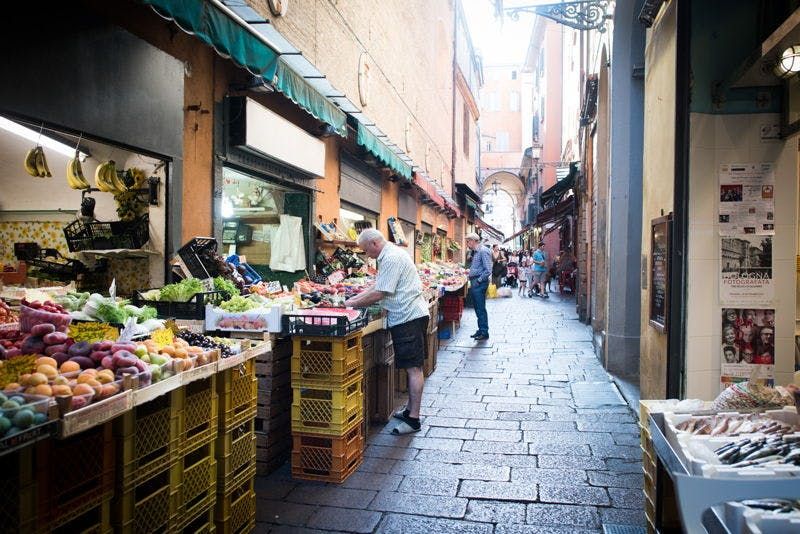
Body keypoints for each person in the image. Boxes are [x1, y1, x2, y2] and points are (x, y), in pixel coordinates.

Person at [344, 229, 429, 435]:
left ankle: (414, 420)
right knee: (412, 366)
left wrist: (350, 303)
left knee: (413, 368)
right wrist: (353, 299)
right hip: (408, 316)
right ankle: (410, 411)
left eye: (366, 250)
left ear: (374, 243)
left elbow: (382, 292)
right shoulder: (391, 254)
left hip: (408, 317)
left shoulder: (390, 258)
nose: (367, 255)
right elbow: (378, 286)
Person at [465, 232, 492, 340]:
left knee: (480, 308)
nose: (467, 243)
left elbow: (488, 270)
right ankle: (481, 329)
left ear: (473, 241)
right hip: (475, 282)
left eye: (468, 241)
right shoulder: (476, 252)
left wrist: (479, 281)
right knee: (477, 307)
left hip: (479, 283)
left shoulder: (483, 251)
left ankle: (484, 332)